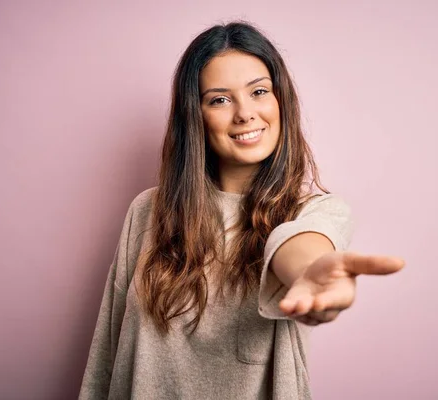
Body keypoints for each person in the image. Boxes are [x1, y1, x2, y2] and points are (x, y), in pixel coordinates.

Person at [79, 21, 405, 400]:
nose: (245, 113)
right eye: (220, 99)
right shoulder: (147, 211)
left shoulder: (315, 212)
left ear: (280, 100)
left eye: (259, 92)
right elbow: (107, 351)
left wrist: (310, 275)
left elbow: (298, 247)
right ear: (195, 116)